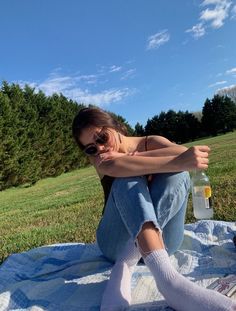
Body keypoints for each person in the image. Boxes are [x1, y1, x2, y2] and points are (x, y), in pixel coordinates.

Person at [72, 107, 236, 311]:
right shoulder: (102, 161)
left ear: (115, 126)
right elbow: (182, 157)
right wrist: (171, 161)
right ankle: (162, 279)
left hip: (166, 240)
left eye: (102, 137)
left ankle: (140, 267)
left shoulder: (150, 141)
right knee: (126, 178)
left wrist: (135, 157)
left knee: (178, 176)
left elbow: (184, 155)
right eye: (90, 148)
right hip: (116, 243)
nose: (100, 149)